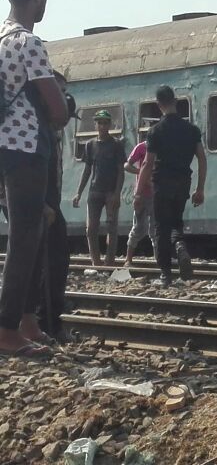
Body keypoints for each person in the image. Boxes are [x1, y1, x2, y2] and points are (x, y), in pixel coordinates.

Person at [0, 0, 69, 357]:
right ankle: (7, 329)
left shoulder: (1, 38)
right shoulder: (28, 42)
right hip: (27, 148)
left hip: (5, 148)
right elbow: (56, 107)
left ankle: (27, 321)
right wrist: (57, 111)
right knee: (25, 239)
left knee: (31, 233)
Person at [137, 85, 206, 286]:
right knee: (176, 223)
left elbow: (148, 164)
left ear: (159, 105)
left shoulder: (155, 131)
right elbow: (202, 158)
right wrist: (200, 188)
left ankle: (166, 274)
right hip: (183, 183)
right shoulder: (192, 130)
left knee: (161, 228)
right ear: (175, 102)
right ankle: (181, 246)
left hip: (162, 184)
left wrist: (139, 193)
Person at [32, 71, 74, 342]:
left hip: (48, 204)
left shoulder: (49, 133)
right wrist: (41, 204)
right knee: (42, 261)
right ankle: (42, 321)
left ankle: (48, 320)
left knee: (53, 260)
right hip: (38, 204)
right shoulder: (35, 132)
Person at [72, 109, 125, 267]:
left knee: (111, 228)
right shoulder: (90, 145)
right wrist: (79, 192)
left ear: (110, 124)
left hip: (110, 192)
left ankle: (109, 262)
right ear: (95, 125)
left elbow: (121, 172)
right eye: (99, 123)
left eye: (105, 123)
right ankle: (96, 262)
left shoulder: (116, 145)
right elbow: (87, 170)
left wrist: (117, 194)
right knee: (91, 229)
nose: (102, 126)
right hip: (94, 191)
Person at [123, 134, 158, 267]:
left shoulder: (161, 148)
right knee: (138, 227)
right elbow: (127, 165)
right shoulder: (141, 147)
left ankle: (158, 259)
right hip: (142, 194)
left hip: (156, 193)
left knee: (156, 229)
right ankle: (128, 259)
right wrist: (141, 173)